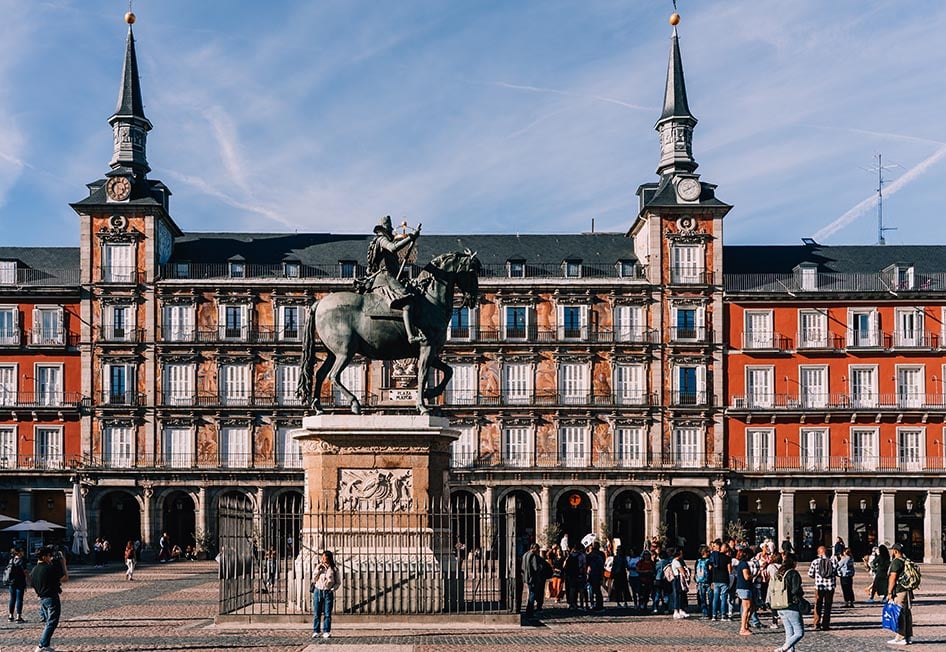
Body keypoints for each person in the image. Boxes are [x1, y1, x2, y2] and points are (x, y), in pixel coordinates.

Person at [364, 215, 425, 344]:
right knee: (407, 302)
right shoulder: (381, 240)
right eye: (390, 229)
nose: (392, 231)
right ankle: (410, 336)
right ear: (384, 229)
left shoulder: (382, 241)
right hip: (384, 279)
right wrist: (411, 237)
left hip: (390, 278)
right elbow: (393, 247)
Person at [31, 545, 68, 652]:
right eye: (48, 555)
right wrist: (64, 564)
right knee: (52, 622)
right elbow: (65, 578)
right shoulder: (49, 568)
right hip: (51, 597)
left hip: (42, 598)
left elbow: (32, 584)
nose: (50, 557)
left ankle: (45, 644)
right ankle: (42, 645)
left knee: (49, 622)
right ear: (43, 557)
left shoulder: (34, 570)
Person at [773, 553, 805, 652]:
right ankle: (783, 648)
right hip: (790, 605)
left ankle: (790, 650)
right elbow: (795, 590)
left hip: (780, 605)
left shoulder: (779, 573)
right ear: (794, 562)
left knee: (789, 631)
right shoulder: (793, 573)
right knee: (799, 632)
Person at [886, 543, 913, 646]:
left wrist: (889, 592)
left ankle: (900, 637)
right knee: (907, 613)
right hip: (907, 591)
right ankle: (908, 636)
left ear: (895, 551)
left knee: (899, 613)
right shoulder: (906, 560)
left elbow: (892, 578)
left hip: (900, 591)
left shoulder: (896, 562)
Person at [807, 544, 837, 631]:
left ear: (818, 553)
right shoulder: (832, 561)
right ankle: (826, 624)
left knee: (818, 604)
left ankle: (816, 623)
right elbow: (836, 572)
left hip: (819, 586)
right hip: (830, 587)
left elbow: (810, 574)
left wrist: (817, 577)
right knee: (828, 605)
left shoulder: (815, 562)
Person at [311, 550, 339, 639]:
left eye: (325, 558)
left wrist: (332, 589)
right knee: (317, 613)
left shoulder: (334, 569)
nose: (323, 560)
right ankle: (316, 631)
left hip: (328, 592)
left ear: (329, 558)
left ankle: (326, 631)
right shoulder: (319, 567)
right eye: (322, 558)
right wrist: (318, 570)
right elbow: (314, 579)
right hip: (318, 591)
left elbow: (338, 582)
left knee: (327, 613)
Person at [733, 546, 755, 635]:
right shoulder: (744, 564)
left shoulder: (741, 563)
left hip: (743, 587)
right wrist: (753, 575)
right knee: (746, 608)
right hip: (744, 587)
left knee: (751, 607)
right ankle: (743, 628)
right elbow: (746, 576)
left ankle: (746, 625)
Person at [6, 546, 30, 623]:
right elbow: (25, 571)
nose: (23, 552)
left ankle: (10, 616)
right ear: (19, 552)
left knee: (12, 599)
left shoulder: (11, 560)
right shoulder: (22, 560)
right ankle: (18, 617)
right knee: (19, 599)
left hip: (12, 582)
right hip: (20, 582)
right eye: (22, 551)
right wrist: (29, 579)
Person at [709, 540, 732, 621]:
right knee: (724, 598)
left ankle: (714, 615)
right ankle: (723, 615)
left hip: (715, 579)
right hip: (724, 579)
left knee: (715, 598)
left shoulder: (714, 556)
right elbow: (730, 570)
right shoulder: (727, 558)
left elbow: (710, 568)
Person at [521, 543, 545, 617]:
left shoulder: (525, 554)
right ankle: (530, 611)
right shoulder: (533, 556)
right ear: (535, 549)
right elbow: (535, 568)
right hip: (532, 578)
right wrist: (540, 567)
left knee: (530, 592)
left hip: (526, 577)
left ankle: (529, 610)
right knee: (532, 594)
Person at [669, 547, 690, 619]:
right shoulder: (676, 561)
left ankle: (681, 610)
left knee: (681, 594)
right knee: (677, 595)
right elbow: (682, 571)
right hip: (677, 579)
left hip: (679, 578)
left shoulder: (679, 561)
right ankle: (676, 611)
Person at [586, 541, 605, 611]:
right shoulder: (590, 556)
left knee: (596, 591)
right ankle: (594, 604)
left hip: (595, 575)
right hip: (592, 575)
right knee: (592, 590)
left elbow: (601, 567)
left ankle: (598, 605)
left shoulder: (599, 556)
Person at [694, 545, 711, 618]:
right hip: (708, 581)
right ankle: (711, 612)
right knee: (710, 598)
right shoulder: (709, 561)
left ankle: (705, 613)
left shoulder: (698, 561)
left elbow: (695, 571)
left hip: (700, 581)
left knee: (702, 598)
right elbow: (710, 570)